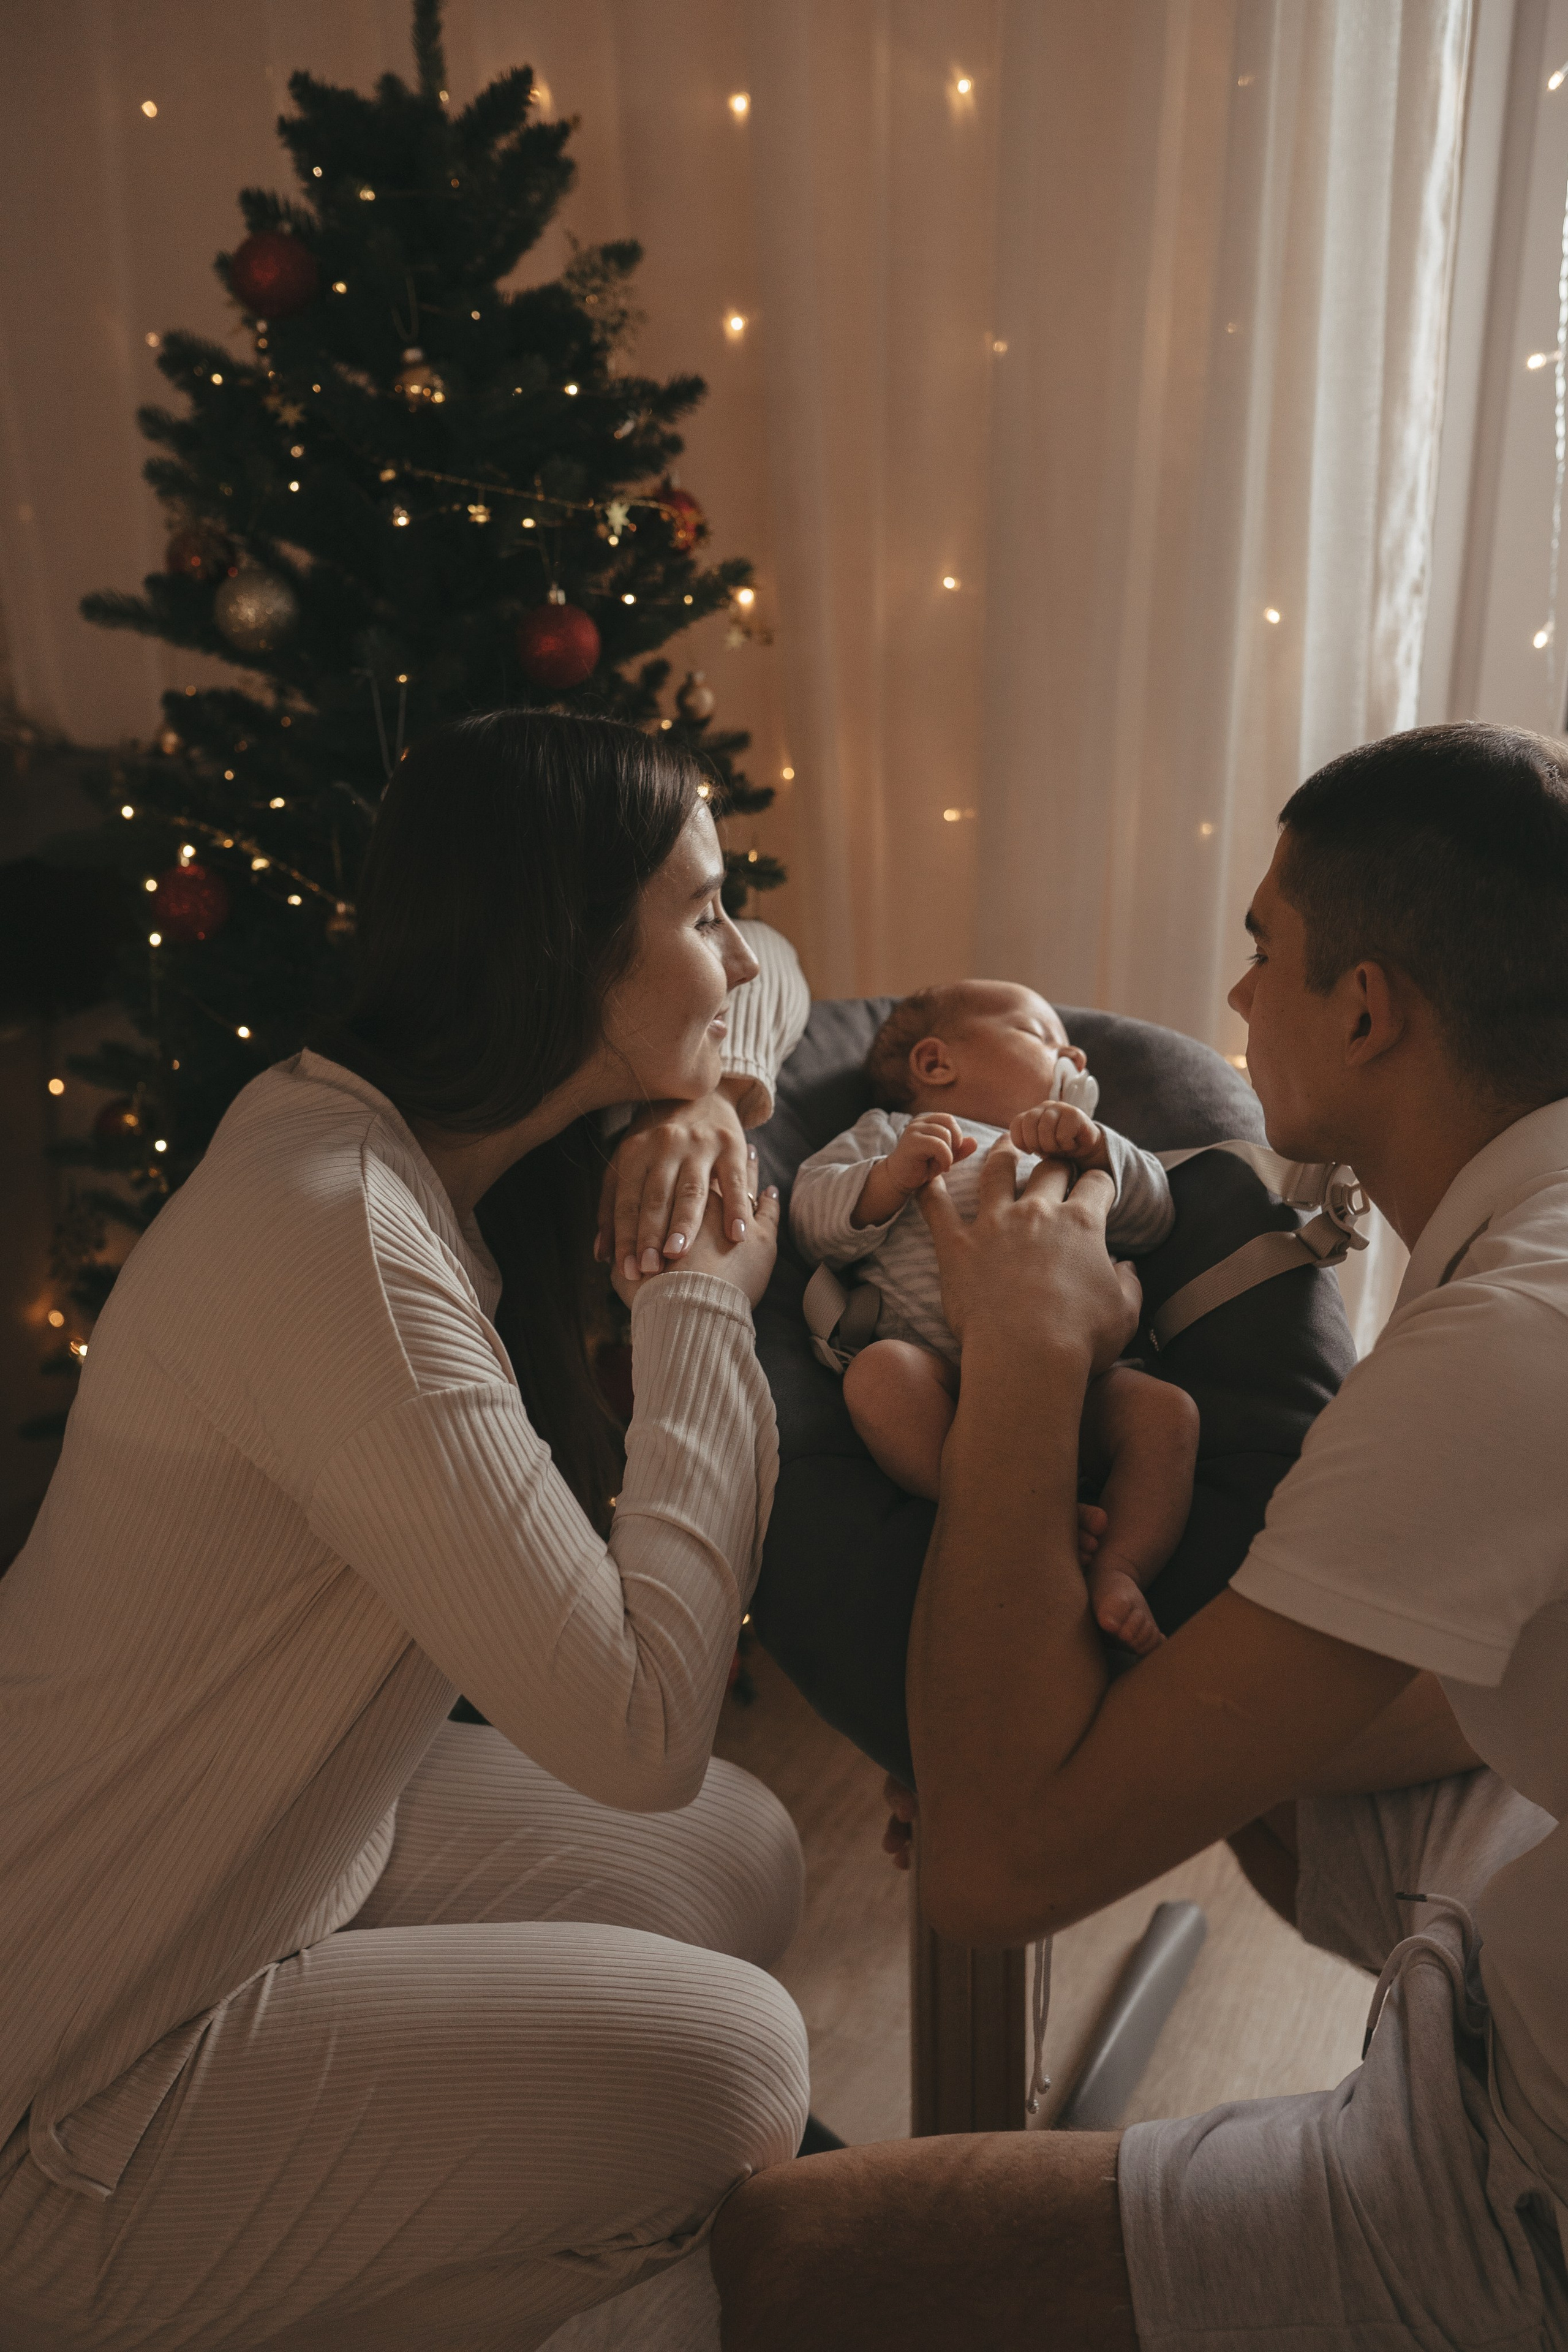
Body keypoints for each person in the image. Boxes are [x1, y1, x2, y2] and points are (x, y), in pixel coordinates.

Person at [714, 720, 1568, 2352]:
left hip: (1531, 2182)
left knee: (782, 2261)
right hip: (1533, 1894)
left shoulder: (1504, 1345)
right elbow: (1435, 1664)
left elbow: (992, 1872)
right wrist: (1050, 1723)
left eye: (1267, 952)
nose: (1238, 1001)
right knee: (1199, 1729)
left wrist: (1034, 1344)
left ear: (1368, 1005)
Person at [0, 710, 813, 2351]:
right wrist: (701, 1305)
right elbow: (642, 1726)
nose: (734, 952)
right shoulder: (341, 1244)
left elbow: (778, 974)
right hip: (70, 2072)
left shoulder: (380, 1115)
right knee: (740, 2065)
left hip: (282, 1852)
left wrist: (707, 1109)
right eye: (699, 911)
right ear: (560, 950)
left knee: (744, 1855)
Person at [790, 980, 1191, 1653]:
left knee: (1166, 1413)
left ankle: (1120, 1566)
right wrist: (889, 1179)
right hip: (947, 1386)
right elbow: (811, 1223)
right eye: (1041, 1037)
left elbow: (1155, 1220)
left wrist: (1100, 1152)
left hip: (1080, 1383)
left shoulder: (1074, 1148)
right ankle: (1000, 1505)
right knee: (879, 1377)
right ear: (935, 1064)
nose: (1076, 1059)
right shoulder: (887, 1136)